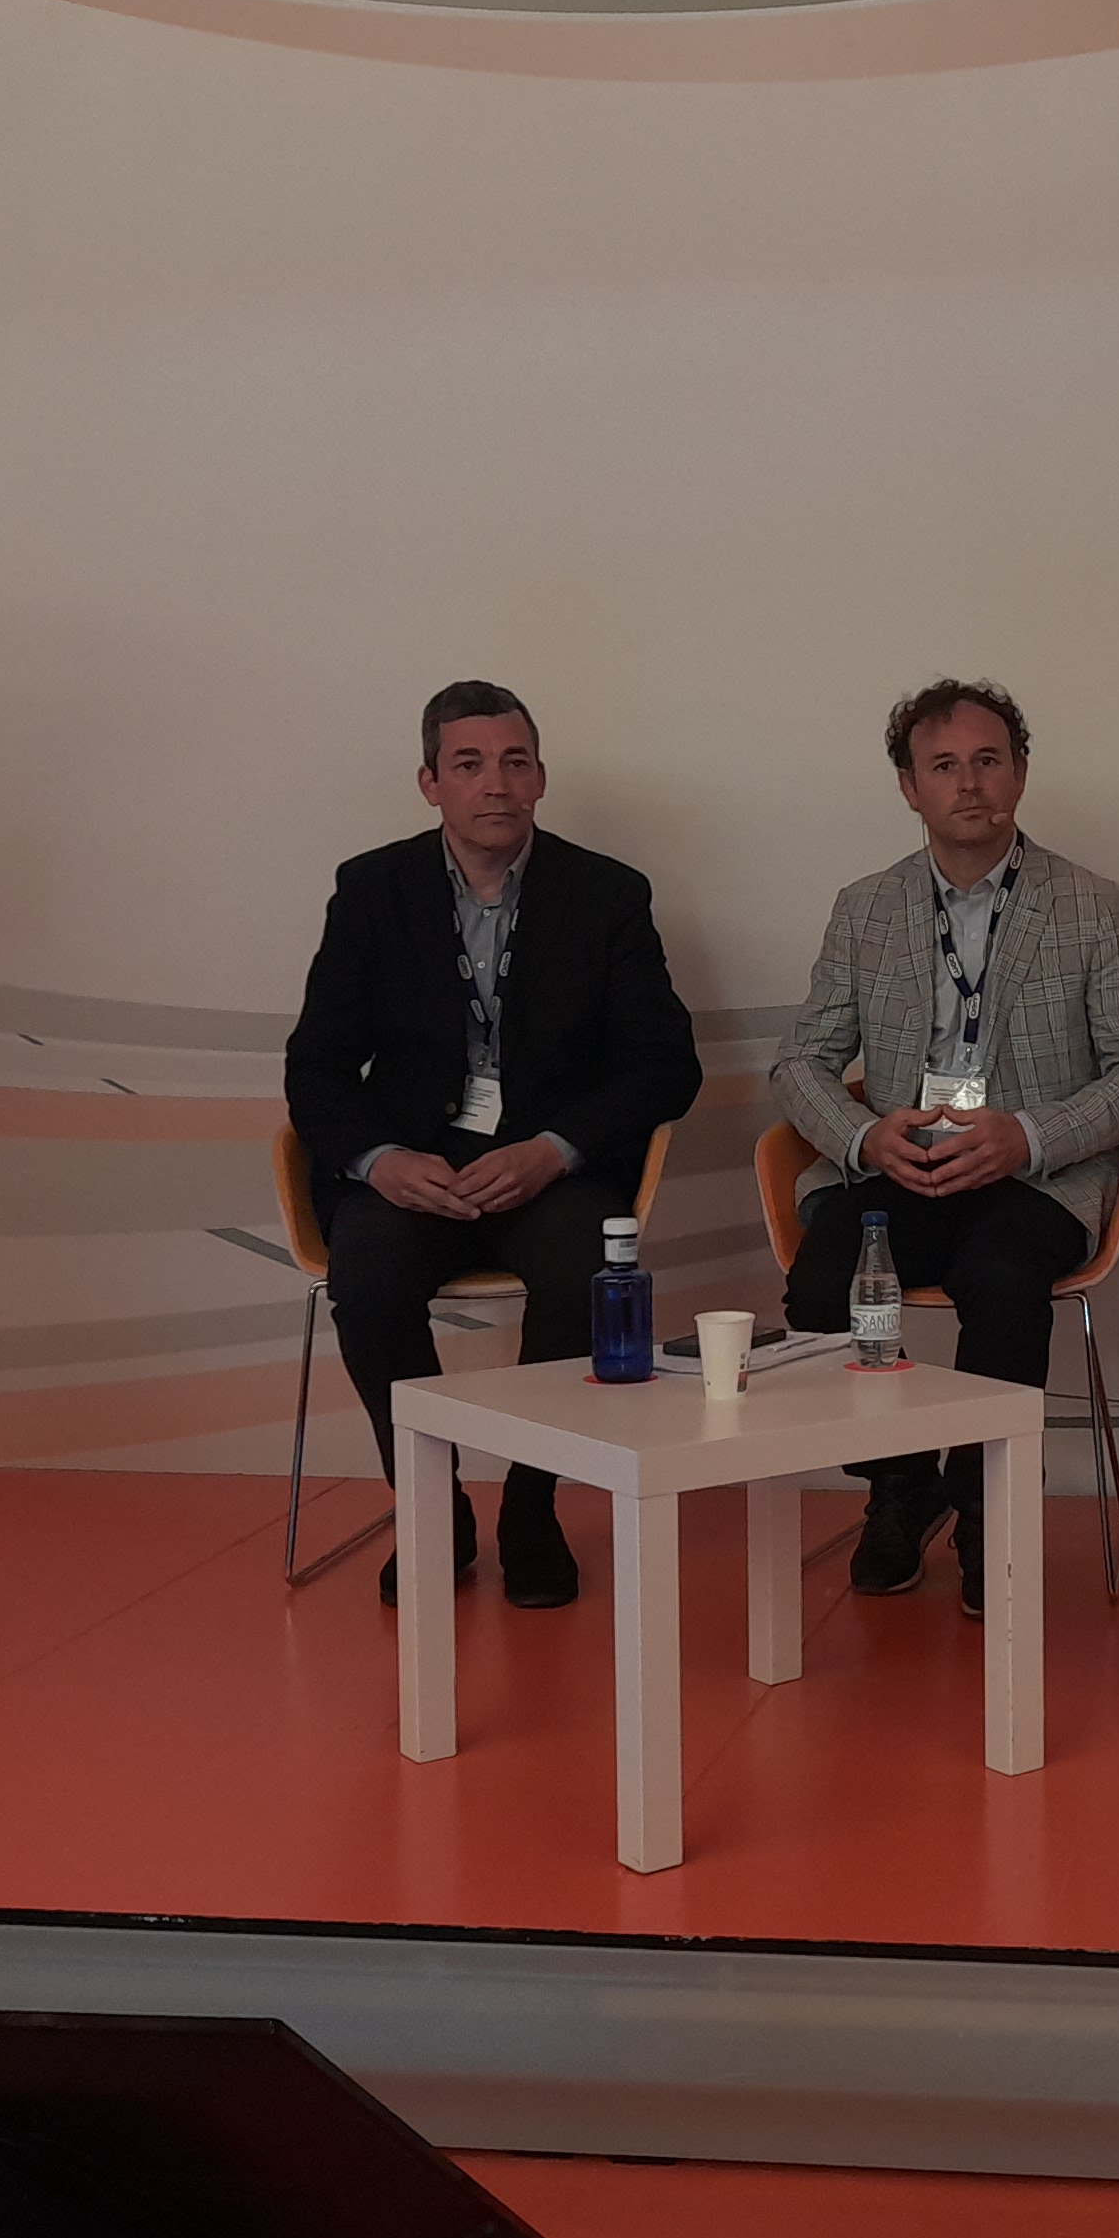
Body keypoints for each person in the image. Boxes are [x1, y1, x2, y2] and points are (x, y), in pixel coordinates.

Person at [285, 680, 701, 1610]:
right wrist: (380, 1162)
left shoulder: (606, 893)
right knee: (368, 1274)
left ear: (541, 777)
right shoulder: (371, 890)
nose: (496, 784)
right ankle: (432, 1509)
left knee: (588, 1271)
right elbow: (315, 1067)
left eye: (516, 763)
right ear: (430, 783)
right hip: (416, 1167)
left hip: (548, 1172)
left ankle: (529, 1507)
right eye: (469, 765)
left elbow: (666, 1065)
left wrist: (555, 1148)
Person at [772, 680, 1119, 1618]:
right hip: (904, 1166)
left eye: (988, 761)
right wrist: (866, 1136)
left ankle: (987, 1506)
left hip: (1034, 1178)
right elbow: (800, 1062)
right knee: (821, 1286)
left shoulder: (1094, 906)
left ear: (1021, 774)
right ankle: (902, 1482)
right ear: (909, 787)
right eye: (944, 766)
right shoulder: (865, 908)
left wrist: (1027, 1134)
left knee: (1000, 1279)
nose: (968, 784)